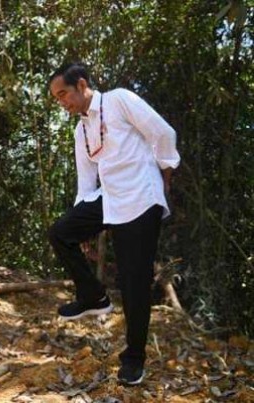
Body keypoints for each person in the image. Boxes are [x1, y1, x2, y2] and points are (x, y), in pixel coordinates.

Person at [47, 62, 180, 385]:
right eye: (56, 98)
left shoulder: (119, 100)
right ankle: (93, 295)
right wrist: (84, 229)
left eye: (63, 94)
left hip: (141, 197)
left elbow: (164, 133)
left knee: (135, 283)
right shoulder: (81, 130)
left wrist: (164, 176)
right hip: (110, 199)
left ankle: (134, 359)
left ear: (81, 85)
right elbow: (85, 184)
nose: (61, 102)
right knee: (61, 232)